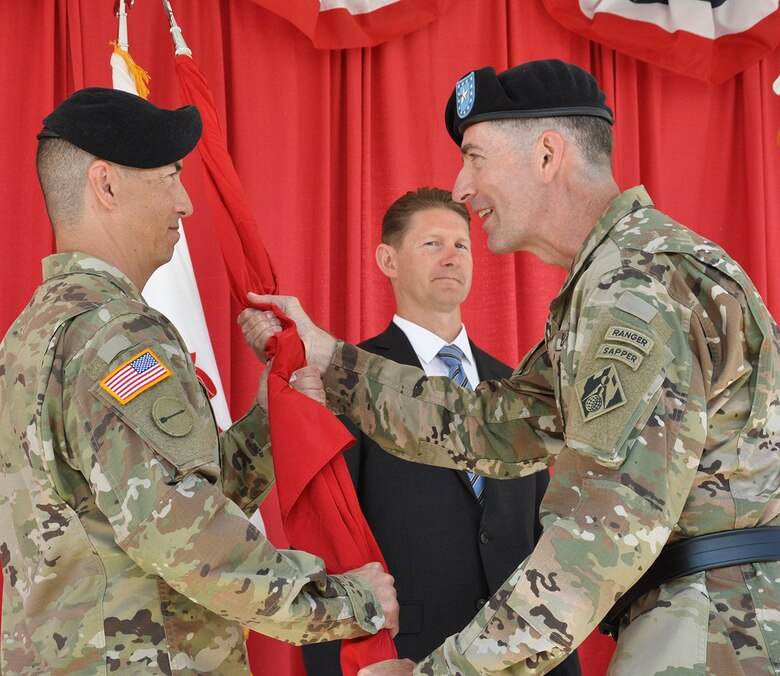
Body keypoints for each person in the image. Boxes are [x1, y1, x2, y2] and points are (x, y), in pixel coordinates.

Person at [240, 59, 780, 675]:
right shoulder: (615, 278)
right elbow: (499, 425)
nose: (462, 187)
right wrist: (333, 363)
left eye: (476, 157)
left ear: (547, 156)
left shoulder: (634, 286)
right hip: (714, 616)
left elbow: (602, 529)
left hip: (721, 628)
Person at [0, 87, 398, 674]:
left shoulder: (29, 333)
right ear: (106, 186)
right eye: (168, 176)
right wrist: (348, 602)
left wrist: (269, 421)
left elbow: (145, 503)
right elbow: (184, 537)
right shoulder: (118, 334)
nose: (185, 203)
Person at [300, 187, 580, 675]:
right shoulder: (347, 381)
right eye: (432, 244)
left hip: (523, 656)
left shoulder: (517, 386)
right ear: (387, 259)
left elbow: (541, 532)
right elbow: (327, 533)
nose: (451, 257)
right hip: (406, 657)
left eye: (462, 245)